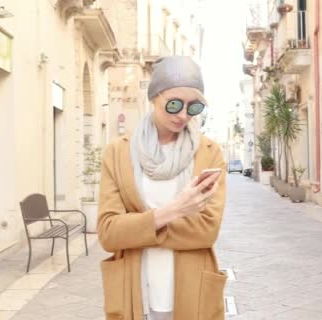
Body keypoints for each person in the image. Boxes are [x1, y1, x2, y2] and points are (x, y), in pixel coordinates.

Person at [97, 56, 228, 320]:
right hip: (134, 288)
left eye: (193, 108)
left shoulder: (209, 154)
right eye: (174, 104)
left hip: (192, 287)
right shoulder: (118, 153)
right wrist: (174, 211)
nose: (182, 115)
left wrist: (137, 228)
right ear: (154, 97)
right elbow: (109, 233)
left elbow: (206, 231)